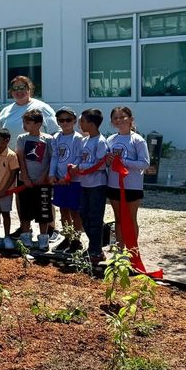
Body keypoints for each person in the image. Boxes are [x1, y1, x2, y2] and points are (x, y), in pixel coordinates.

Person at [107, 106, 150, 250]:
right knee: (118, 219)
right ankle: (120, 249)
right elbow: (106, 162)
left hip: (132, 185)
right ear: (112, 122)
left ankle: (132, 250)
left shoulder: (138, 140)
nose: (119, 120)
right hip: (114, 184)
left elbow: (145, 163)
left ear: (131, 119)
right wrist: (108, 160)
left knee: (131, 219)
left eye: (122, 117)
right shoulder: (111, 139)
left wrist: (123, 162)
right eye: (115, 118)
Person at [71, 108, 109, 265]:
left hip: (97, 184)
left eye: (83, 121)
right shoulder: (84, 141)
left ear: (92, 124)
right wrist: (76, 166)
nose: (80, 124)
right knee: (83, 214)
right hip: (84, 183)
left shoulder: (100, 141)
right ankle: (95, 246)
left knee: (95, 216)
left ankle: (95, 250)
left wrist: (80, 168)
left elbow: (101, 164)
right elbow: (82, 159)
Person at [15, 108, 55, 250]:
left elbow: (51, 159)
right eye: (24, 122)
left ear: (38, 124)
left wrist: (43, 176)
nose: (25, 125)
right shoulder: (22, 138)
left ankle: (43, 238)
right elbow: (20, 157)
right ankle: (26, 235)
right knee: (25, 210)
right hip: (25, 181)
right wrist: (25, 177)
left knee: (43, 210)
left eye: (28, 122)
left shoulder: (48, 139)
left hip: (42, 182)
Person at [49, 107, 85, 253]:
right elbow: (55, 156)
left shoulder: (78, 138)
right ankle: (67, 237)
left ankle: (76, 240)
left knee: (75, 211)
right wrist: (52, 173)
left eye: (68, 120)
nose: (65, 123)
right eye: (61, 120)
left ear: (75, 121)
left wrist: (68, 176)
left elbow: (78, 158)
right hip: (59, 180)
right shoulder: (56, 137)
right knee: (63, 210)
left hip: (73, 180)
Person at [0, 75, 60, 147]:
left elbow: (56, 132)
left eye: (22, 88)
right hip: (11, 157)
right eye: (15, 88)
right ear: (11, 92)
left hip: (37, 156)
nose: (18, 91)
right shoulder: (5, 111)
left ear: (29, 89)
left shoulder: (42, 107)